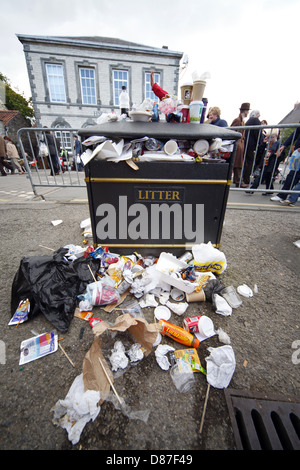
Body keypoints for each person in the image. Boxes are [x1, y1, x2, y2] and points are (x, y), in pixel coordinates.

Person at [271, 124, 300, 202]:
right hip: (298, 154)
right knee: (292, 174)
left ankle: (286, 195)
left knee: (293, 175)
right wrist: (284, 145)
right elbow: (294, 134)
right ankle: (283, 195)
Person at [230, 103, 250, 187]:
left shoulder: (242, 121)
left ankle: (237, 180)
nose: (247, 113)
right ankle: (239, 181)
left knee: (239, 163)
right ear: (245, 111)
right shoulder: (238, 120)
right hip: (237, 143)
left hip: (240, 143)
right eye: (247, 111)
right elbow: (232, 131)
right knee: (237, 164)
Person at [243, 110, 264, 186]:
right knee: (250, 162)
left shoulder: (248, 121)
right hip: (251, 145)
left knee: (246, 161)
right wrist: (260, 142)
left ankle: (244, 178)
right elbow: (257, 133)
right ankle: (246, 180)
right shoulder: (256, 121)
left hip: (246, 143)